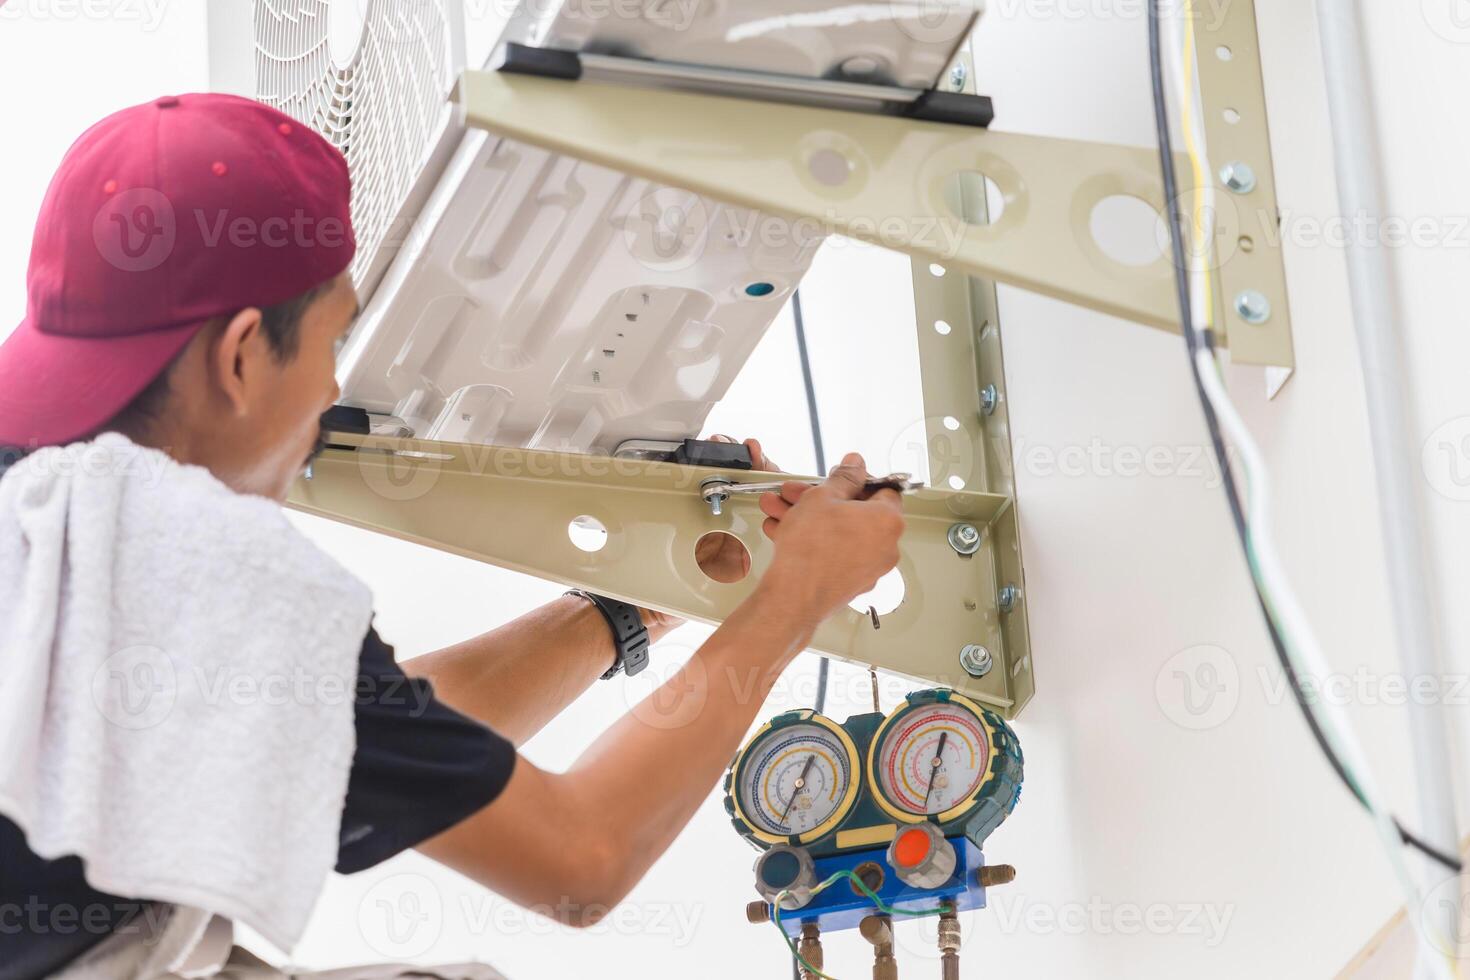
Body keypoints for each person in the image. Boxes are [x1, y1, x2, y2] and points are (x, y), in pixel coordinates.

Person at [0, 94, 904, 979]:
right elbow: (581, 864)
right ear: (241, 358)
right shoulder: (188, 562)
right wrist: (798, 597)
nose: (328, 397)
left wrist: (632, 605)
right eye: (333, 343)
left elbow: (342, 732)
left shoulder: (46, 518)